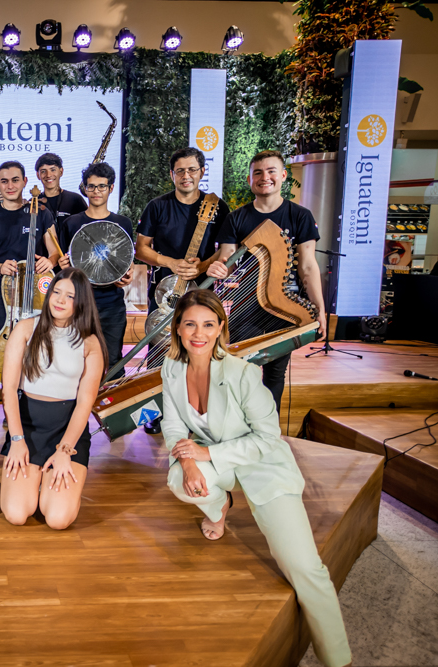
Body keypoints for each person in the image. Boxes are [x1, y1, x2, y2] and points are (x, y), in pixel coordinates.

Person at [161, 289, 351, 667]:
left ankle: (339, 659)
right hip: (214, 458)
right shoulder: (171, 369)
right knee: (180, 482)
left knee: (302, 566)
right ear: (178, 329)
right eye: (190, 324)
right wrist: (189, 461)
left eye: (209, 325)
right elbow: (172, 423)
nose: (199, 333)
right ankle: (219, 508)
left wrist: (205, 454)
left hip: (263, 465)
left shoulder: (243, 373)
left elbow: (267, 439)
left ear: (220, 329)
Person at [207, 150, 327, 411]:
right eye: (258, 173)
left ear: (283, 175)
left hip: (285, 304)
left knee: (275, 373)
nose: (265, 177)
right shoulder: (236, 218)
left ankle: (267, 431)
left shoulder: (300, 216)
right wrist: (219, 269)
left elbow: (308, 266)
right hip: (245, 306)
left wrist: (320, 309)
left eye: (271, 171)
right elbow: (228, 259)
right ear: (250, 179)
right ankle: (236, 428)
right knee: (240, 370)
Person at [0, 268, 106, 530]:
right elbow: (9, 389)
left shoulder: (90, 343)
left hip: (66, 430)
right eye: (56, 292)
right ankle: (34, 481)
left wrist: (64, 450)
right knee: (16, 514)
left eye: (69, 296)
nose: (59, 300)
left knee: (58, 519)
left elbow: (84, 403)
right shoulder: (26, 328)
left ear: (80, 302)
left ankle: (52, 485)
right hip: (28, 428)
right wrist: (16, 440)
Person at [135, 146, 231, 433]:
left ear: (201, 172)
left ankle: (199, 411)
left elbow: (225, 251)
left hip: (203, 290)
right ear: (171, 174)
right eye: (180, 170)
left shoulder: (218, 207)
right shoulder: (157, 206)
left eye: (192, 169)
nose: (186, 175)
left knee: (201, 349)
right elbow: (142, 249)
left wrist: (199, 268)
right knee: (159, 351)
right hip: (164, 292)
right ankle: (157, 412)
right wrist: (172, 263)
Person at [57, 162, 134, 378]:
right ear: (84, 188)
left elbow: (126, 262)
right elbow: (63, 266)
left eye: (102, 186)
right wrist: (64, 268)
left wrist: (126, 276)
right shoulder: (72, 223)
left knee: (113, 361)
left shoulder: (123, 223)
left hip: (112, 303)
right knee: (74, 360)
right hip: (79, 303)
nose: (96, 192)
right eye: (91, 187)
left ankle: (110, 409)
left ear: (111, 188)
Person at [0, 161, 61, 334]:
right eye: (4, 181)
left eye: (15, 180)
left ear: (25, 181)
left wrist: (50, 262)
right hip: (1, 286)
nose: (10, 186)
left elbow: (55, 252)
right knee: (5, 337)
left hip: (35, 284)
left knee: (37, 337)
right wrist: (0, 268)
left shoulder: (41, 212)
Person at [35, 153, 87, 225]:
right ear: (38, 175)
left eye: (53, 170)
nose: (48, 175)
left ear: (61, 171)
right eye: (43, 171)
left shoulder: (75, 199)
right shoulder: (34, 203)